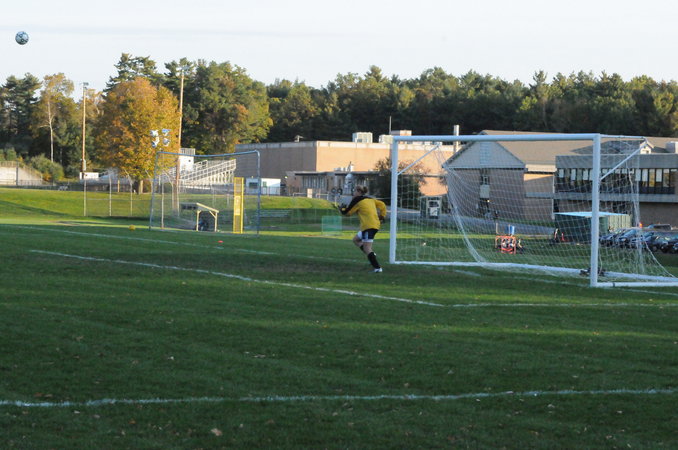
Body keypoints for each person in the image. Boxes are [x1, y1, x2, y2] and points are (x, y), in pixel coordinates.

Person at [339, 185, 387, 273]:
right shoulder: (370, 199)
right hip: (374, 225)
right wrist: (382, 216)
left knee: (367, 247)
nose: (353, 193)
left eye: (354, 191)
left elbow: (348, 213)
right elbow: (382, 205)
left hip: (368, 226)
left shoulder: (357, 200)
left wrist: (342, 209)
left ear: (359, 192)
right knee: (356, 240)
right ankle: (372, 255)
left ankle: (377, 268)